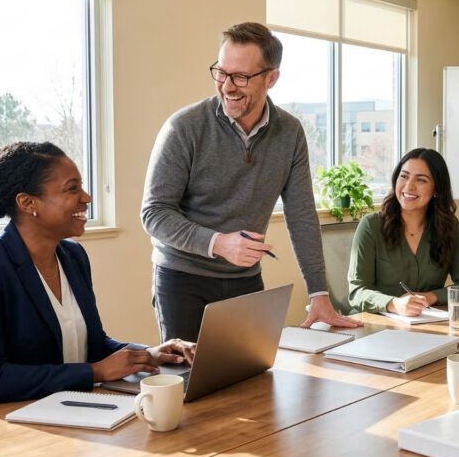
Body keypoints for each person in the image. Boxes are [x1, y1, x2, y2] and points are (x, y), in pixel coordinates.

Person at [141, 22, 361, 342]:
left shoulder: (290, 133)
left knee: (250, 381)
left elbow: (301, 215)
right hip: (182, 279)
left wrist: (318, 293)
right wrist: (219, 243)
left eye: (241, 77)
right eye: (222, 72)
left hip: (245, 281)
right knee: (190, 386)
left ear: (271, 78)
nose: (228, 86)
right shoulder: (184, 128)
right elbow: (154, 213)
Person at [0, 142, 194, 412]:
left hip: (56, 408)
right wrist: (95, 372)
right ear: (28, 203)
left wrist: (151, 354)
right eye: (72, 188)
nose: (86, 197)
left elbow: (91, 344)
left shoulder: (72, 256)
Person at [348, 148, 459, 315]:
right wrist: (393, 304)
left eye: (421, 180)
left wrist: (431, 297)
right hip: (375, 323)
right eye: (403, 176)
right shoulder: (371, 226)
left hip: (426, 321)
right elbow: (357, 291)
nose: (409, 186)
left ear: (436, 190)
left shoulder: (449, 226)